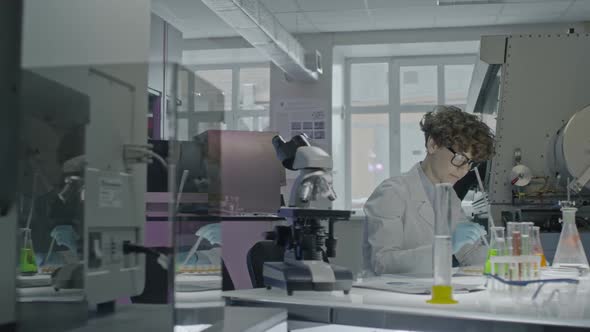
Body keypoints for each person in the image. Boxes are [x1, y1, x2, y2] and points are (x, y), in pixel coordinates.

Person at [363, 106, 495, 275]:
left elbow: (469, 252)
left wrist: (501, 258)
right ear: (432, 145)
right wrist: (446, 246)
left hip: (430, 292)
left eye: (470, 163)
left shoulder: (449, 197)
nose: (463, 170)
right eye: (460, 158)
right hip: (393, 295)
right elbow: (383, 263)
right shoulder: (392, 193)